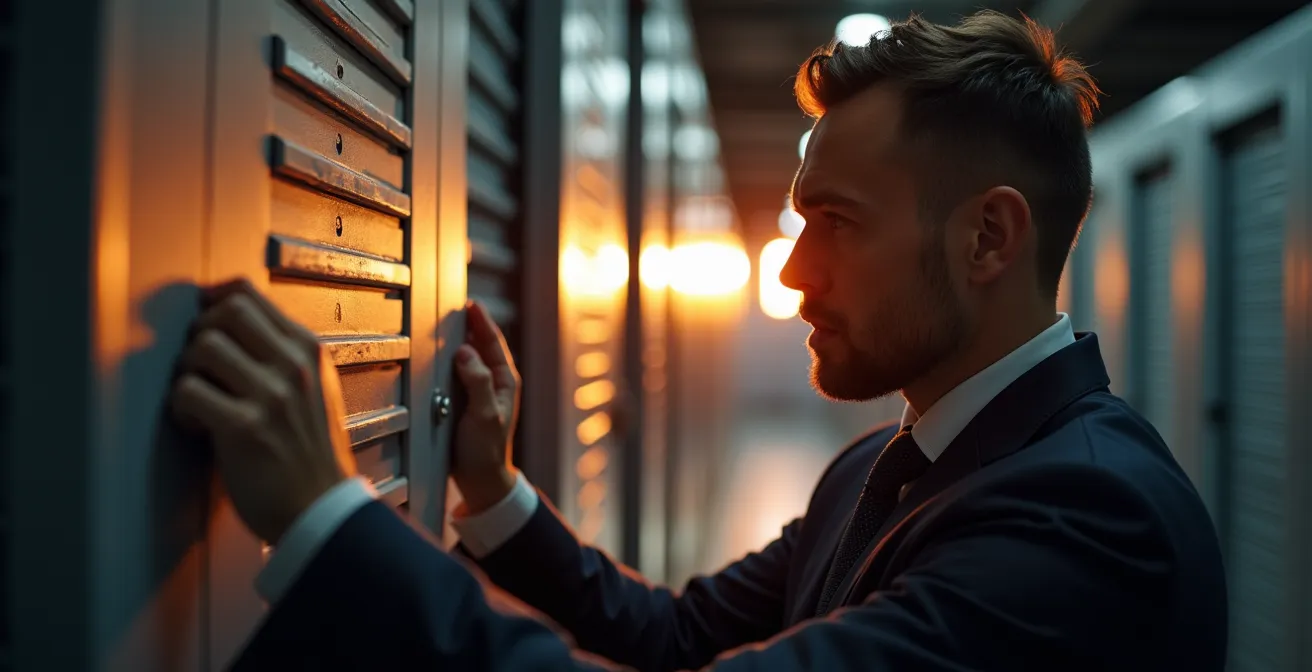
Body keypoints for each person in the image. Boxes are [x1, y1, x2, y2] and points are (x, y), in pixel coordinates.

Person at [172, 10, 1228, 671]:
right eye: (798, 221)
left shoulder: (1087, 526)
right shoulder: (887, 464)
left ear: (988, 237)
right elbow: (676, 640)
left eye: (837, 224)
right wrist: (491, 489)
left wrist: (325, 523)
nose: (793, 271)